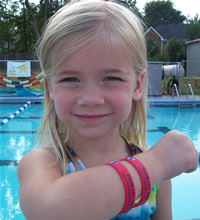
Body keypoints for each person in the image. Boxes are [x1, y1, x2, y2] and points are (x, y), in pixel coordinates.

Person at [17, 0, 198, 219]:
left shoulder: (157, 176)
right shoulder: (44, 164)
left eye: (111, 78)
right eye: (70, 79)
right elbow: (47, 211)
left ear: (137, 85)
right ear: (51, 88)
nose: (91, 99)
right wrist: (158, 162)